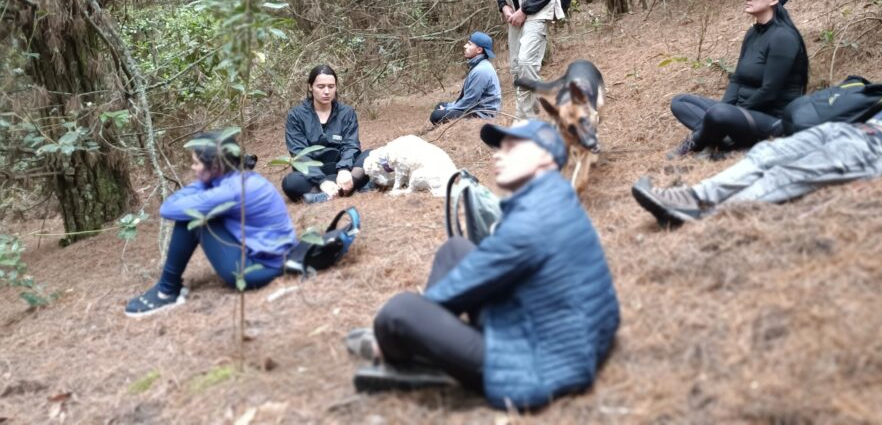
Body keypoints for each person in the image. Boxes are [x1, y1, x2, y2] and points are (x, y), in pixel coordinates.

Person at [349, 120, 620, 409]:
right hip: (567, 336)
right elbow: (482, 267)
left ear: (544, 157)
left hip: (538, 367)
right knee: (455, 250)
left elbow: (465, 282)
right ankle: (431, 344)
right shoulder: (554, 195)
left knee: (398, 312)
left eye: (512, 147)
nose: (498, 154)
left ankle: (404, 355)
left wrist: (410, 326)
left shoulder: (531, 221)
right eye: (499, 147)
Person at [633, 65, 882, 227]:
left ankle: (708, 214)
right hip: (861, 129)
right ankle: (693, 196)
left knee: (788, 173)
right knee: (767, 154)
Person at [125, 132, 296, 318]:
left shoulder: (229, 191)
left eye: (196, 163)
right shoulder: (241, 179)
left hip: (260, 269)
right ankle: (167, 287)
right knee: (195, 211)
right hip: (276, 258)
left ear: (215, 166)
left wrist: (202, 185)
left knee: (192, 217)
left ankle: (166, 291)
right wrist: (205, 183)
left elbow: (167, 209)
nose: (193, 167)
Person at [668, 0, 809, 157]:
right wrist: (725, 108)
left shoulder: (784, 37)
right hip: (741, 113)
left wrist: (729, 113)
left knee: (719, 115)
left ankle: (696, 144)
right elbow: (737, 79)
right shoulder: (753, 34)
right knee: (680, 102)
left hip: (771, 120)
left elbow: (770, 91)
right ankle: (726, 139)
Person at [282, 64, 370, 203]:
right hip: (312, 174)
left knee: (372, 156)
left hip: (342, 170)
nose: (327, 91)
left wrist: (344, 169)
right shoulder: (296, 115)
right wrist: (322, 180)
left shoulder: (346, 113)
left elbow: (351, 145)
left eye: (331, 86)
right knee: (290, 182)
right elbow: (299, 153)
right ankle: (350, 187)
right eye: (321, 86)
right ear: (310, 87)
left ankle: (324, 194)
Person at [429, 31, 502, 125]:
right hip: (474, 109)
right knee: (440, 106)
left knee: (436, 116)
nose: (465, 46)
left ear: (479, 50)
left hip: (481, 114)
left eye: (469, 44)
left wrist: (448, 109)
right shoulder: (479, 65)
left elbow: (469, 101)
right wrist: (448, 106)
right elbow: (467, 99)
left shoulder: (481, 71)